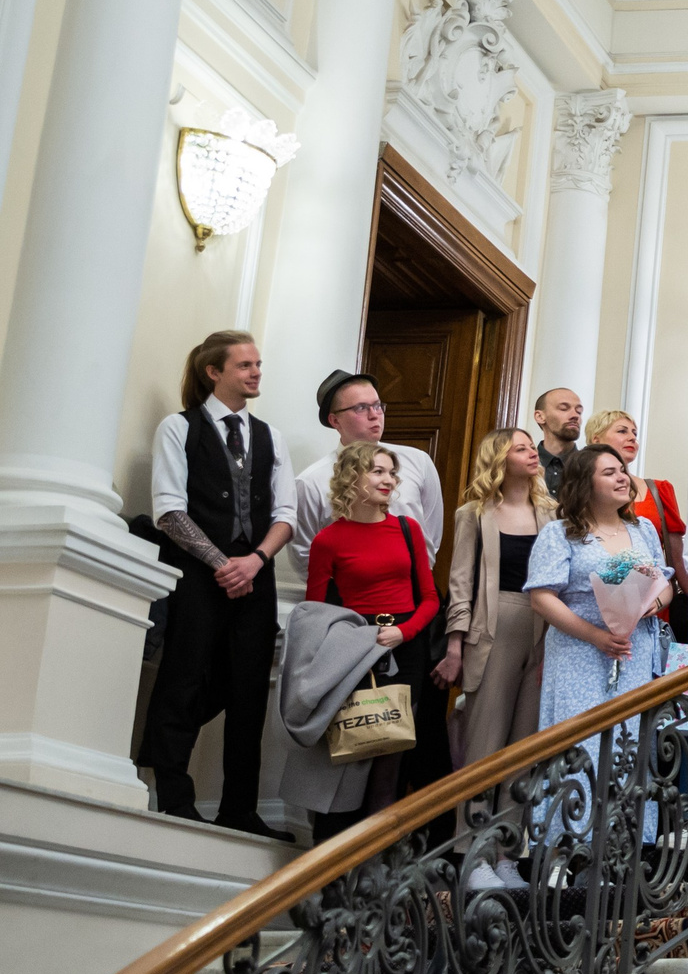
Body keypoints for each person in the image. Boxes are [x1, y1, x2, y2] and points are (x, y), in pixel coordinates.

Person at [139, 331, 295, 837]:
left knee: (249, 691)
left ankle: (240, 809)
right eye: (245, 365)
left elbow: (285, 514)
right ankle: (174, 796)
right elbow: (169, 511)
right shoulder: (178, 428)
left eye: (258, 365)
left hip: (257, 576)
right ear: (215, 371)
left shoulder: (270, 436)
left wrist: (253, 561)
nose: (255, 373)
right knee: (183, 677)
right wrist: (221, 564)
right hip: (197, 577)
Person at [524, 444, 672, 835]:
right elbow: (541, 597)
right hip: (579, 654)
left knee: (629, 743)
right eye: (609, 472)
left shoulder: (644, 530)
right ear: (583, 483)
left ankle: (622, 844)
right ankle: (571, 844)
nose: (623, 476)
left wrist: (648, 606)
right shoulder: (560, 534)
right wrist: (596, 636)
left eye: (622, 470)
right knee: (581, 746)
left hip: (634, 652)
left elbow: (665, 585)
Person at [296, 443, 441, 839]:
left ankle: (379, 858)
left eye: (391, 473)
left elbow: (429, 600)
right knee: (351, 750)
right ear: (351, 477)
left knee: (392, 753)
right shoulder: (328, 540)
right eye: (377, 471)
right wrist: (359, 639)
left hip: (405, 648)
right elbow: (315, 613)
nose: (388, 480)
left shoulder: (408, 530)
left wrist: (403, 632)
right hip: (354, 650)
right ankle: (334, 850)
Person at [436, 428, 556, 765]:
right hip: (492, 625)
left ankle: (513, 819)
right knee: (484, 743)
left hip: (544, 629)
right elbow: (460, 584)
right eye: (522, 449)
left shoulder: (553, 514)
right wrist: (454, 648)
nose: (533, 453)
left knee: (525, 746)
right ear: (499, 459)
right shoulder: (473, 513)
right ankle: (471, 819)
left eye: (533, 447)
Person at [291, 370, 443, 572]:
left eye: (378, 406)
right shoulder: (311, 481)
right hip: (346, 596)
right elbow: (304, 553)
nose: (375, 415)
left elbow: (431, 533)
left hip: (411, 591)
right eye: (361, 408)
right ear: (335, 421)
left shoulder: (418, 461)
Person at [589, 410, 688, 635]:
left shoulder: (658, 489)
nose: (632, 437)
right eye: (622, 431)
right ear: (596, 439)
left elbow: (675, 552)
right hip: (594, 601)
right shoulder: (583, 492)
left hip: (653, 600)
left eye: (635, 433)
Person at [530, 387, 585, 498]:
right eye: (564, 409)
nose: (575, 415)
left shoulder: (589, 466)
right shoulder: (524, 464)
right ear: (540, 416)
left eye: (579, 411)